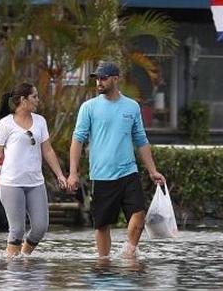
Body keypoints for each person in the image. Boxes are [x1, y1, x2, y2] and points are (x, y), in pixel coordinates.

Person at [67, 61, 165, 258]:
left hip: (129, 173)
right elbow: (77, 140)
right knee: (102, 225)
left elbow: (141, 140)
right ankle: (104, 263)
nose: (99, 82)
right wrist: (73, 173)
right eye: (97, 79)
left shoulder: (132, 106)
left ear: (115, 79)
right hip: (101, 175)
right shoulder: (89, 108)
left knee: (138, 216)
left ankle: (129, 254)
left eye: (103, 78)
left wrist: (153, 170)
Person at [0, 82, 68, 259]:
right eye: (34, 96)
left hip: (35, 183)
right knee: (17, 230)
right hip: (12, 184)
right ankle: (12, 274)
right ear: (23, 100)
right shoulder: (5, 124)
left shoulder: (40, 121)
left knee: (40, 228)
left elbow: (47, 150)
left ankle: (24, 258)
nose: (38, 100)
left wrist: (59, 175)